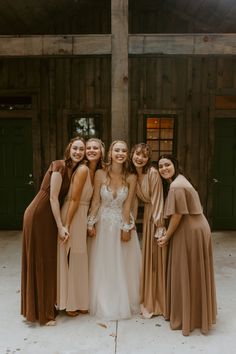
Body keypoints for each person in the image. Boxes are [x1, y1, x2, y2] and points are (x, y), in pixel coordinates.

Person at [21, 137, 86, 325]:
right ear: (69, 149)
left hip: (50, 217)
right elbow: (53, 198)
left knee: (49, 261)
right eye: (75, 148)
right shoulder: (58, 166)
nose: (78, 152)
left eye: (81, 149)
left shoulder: (76, 170)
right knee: (41, 261)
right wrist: (61, 226)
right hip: (39, 215)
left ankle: (47, 306)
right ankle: (42, 314)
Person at [157, 154, 217, 336]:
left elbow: (177, 215)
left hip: (189, 231)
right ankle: (197, 315)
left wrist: (166, 236)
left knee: (184, 271)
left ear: (175, 165)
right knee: (195, 273)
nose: (164, 168)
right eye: (160, 166)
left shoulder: (176, 186)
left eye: (167, 164)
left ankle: (187, 317)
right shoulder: (181, 180)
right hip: (197, 227)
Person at [87, 140, 141, 320]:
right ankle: (103, 300)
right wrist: (90, 222)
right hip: (103, 224)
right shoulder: (101, 174)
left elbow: (128, 206)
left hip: (120, 222)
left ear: (127, 154)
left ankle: (121, 301)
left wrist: (126, 227)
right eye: (117, 150)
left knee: (122, 264)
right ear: (110, 153)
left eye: (124, 151)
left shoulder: (131, 177)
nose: (120, 153)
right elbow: (96, 201)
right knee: (104, 264)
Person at [57, 138, 105, 316]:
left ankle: (80, 300)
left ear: (101, 152)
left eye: (94, 148)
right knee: (75, 255)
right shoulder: (83, 169)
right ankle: (71, 303)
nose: (90, 151)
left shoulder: (97, 171)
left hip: (82, 213)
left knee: (80, 257)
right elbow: (75, 199)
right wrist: (66, 225)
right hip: (73, 212)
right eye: (88, 148)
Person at [130, 143, 167, 319]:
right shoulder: (133, 175)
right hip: (146, 218)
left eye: (144, 156)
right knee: (149, 258)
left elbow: (158, 198)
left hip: (155, 217)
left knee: (155, 259)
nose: (140, 158)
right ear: (132, 155)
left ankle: (158, 300)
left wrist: (159, 226)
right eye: (137, 154)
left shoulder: (152, 173)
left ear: (148, 159)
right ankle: (149, 296)